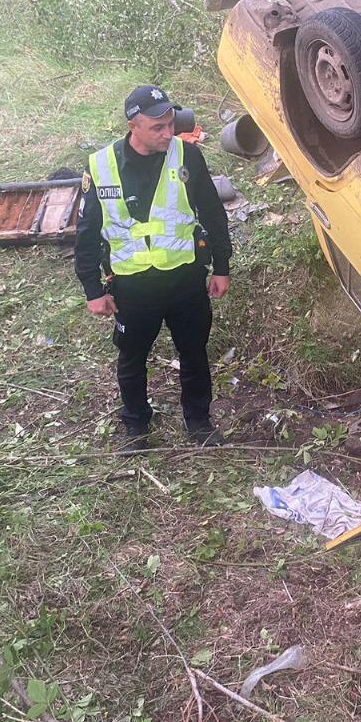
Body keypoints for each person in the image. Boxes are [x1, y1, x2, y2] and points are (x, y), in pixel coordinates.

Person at [75, 85, 232, 452]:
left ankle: (199, 422)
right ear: (133, 125)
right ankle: (136, 428)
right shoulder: (100, 166)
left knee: (194, 352)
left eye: (170, 124)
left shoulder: (187, 156)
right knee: (132, 358)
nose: (167, 133)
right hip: (132, 288)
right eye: (157, 127)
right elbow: (85, 234)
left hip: (185, 281)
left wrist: (221, 266)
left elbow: (212, 212)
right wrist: (93, 290)